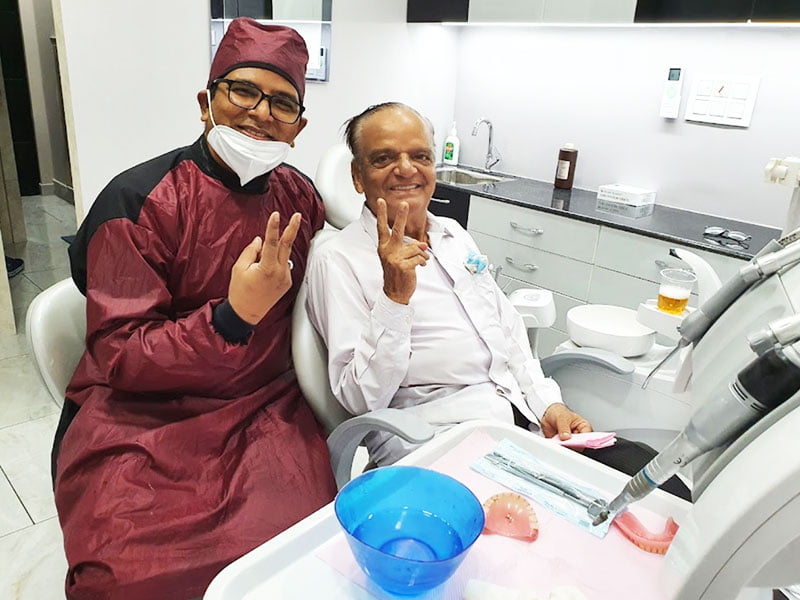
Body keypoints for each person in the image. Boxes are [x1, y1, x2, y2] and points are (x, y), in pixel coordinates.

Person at [52, 19, 337, 600]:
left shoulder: (299, 195)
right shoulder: (138, 202)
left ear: (299, 128)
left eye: (282, 103)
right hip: (140, 416)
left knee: (303, 554)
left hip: (262, 407)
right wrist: (232, 317)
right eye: (243, 92)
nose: (260, 114)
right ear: (206, 103)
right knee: (126, 578)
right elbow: (120, 355)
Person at [305, 102, 593, 466]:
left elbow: (506, 330)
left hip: (519, 420)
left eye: (420, 156)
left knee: (639, 477)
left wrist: (548, 404)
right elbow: (360, 399)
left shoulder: (453, 234)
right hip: (436, 440)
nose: (406, 169)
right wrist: (394, 299)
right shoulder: (337, 259)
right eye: (383, 158)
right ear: (358, 177)